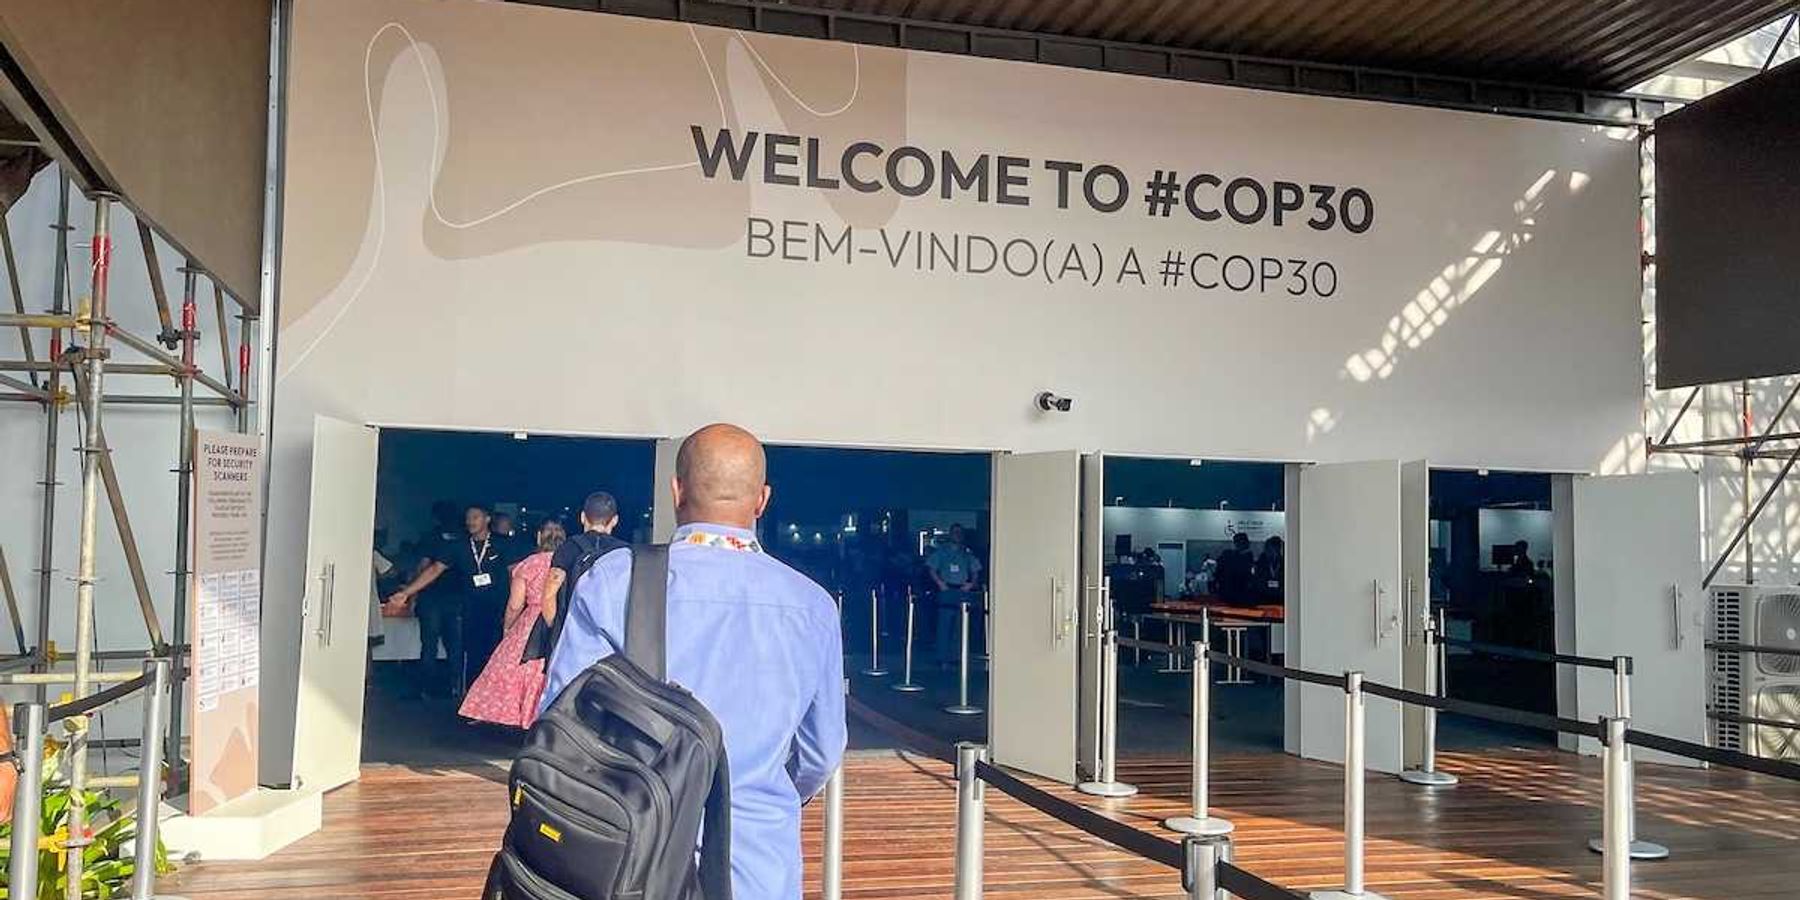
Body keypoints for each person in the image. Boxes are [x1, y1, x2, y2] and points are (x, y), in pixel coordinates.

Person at [544, 423, 846, 900]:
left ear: (676, 490)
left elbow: (559, 719)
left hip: (626, 858)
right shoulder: (811, 605)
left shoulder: (615, 580)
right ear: (762, 500)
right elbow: (821, 752)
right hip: (756, 862)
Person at [384, 504, 512, 697]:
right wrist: (407, 592)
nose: (470, 521)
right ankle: (467, 695)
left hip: (499, 608)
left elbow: (516, 572)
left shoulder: (502, 544)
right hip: (469, 608)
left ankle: (497, 697)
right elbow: (434, 569)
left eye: (475, 517)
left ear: (487, 519)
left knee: (497, 651)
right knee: (467, 651)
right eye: (468, 518)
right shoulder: (458, 546)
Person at [459, 519, 566, 728]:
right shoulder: (570, 564)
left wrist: (508, 628)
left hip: (531, 620)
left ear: (538, 537)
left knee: (512, 668)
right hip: (560, 619)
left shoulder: (527, 565)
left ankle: (514, 716)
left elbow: (515, 604)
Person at [523, 492, 628, 663]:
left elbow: (549, 595)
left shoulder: (568, 547)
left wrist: (557, 634)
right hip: (610, 644)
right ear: (614, 520)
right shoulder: (624, 552)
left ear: (582, 517)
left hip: (573, 640)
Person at [926, 524, 981, 665]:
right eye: (955, 532)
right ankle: (941, 656)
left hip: (962, 591)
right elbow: (931, 568)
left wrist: (971, 583)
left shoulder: (966, 553)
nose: (957, 535)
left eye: (959, 532)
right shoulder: (941, 552)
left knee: (960, 625)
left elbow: (975, 570)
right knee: (944, 623)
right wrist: (940, 583)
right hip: (947, 589)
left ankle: (957, 656)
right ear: (950, 534)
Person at [1214, 532, 1257, 606]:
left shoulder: (1228, 555)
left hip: (1234, 594)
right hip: (1236, 594)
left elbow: (1218, 573)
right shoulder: (1229, 556)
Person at [1253, 536, 1285, 603]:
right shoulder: (1262, 562)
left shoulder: (1284, 562)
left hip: (1281, 597)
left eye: (1276, 549)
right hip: (1264, 597)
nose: (1272, 552)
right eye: (1269, 549)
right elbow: (1258, 580)